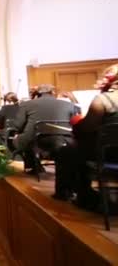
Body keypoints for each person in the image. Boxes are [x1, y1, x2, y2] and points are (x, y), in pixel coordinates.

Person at [59, 64, 118, 208]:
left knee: (69, 149)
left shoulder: (103, 100)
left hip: (109, 154)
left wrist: (76, 124)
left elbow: (86, 128)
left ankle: (83, 196)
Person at [13, 84, 77, 173]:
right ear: (53, 92)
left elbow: (18, 125)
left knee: (20, 139)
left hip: (36, 141)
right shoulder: (68, 105)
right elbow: (75, 123)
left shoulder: (26, 104)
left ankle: (33, 167)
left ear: (37, 93)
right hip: (63, 140)